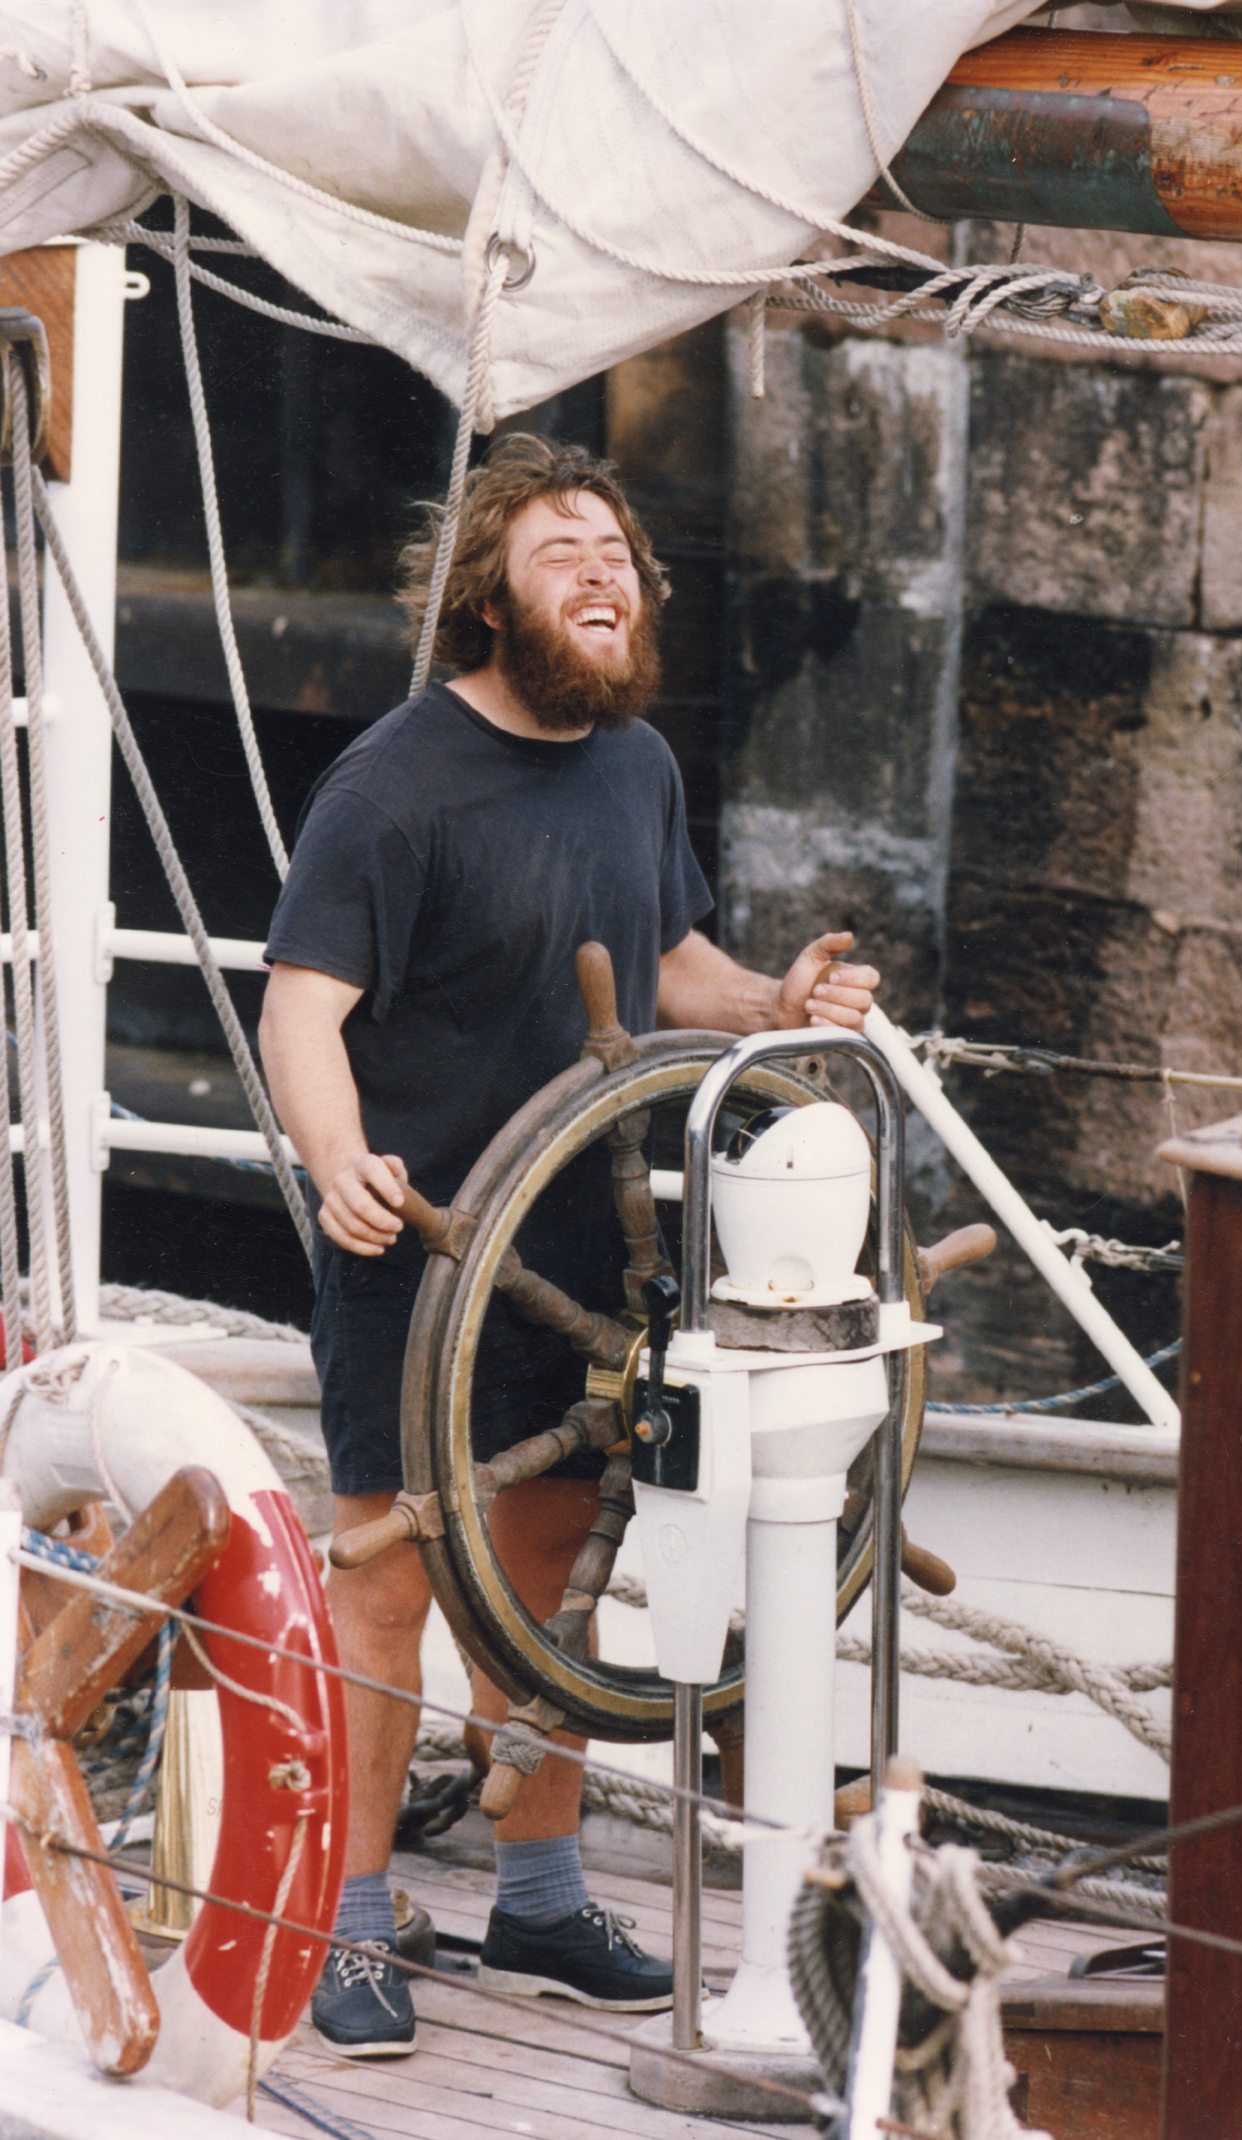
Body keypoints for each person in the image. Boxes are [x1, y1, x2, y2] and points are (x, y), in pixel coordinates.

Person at [259, 432, 880, 2058]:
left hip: (576, 1258)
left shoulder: (638, 769)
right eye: (561, 553)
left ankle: (536, 1902)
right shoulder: (390, 783)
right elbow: (301, 1009)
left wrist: (780, 1006)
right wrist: (339, 1162)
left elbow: (668, 959)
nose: (603, 574)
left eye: (618, 554)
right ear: (487, 600)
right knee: (387, 1592)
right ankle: (358, 1922)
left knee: (544, 1581)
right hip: (413, 1255)